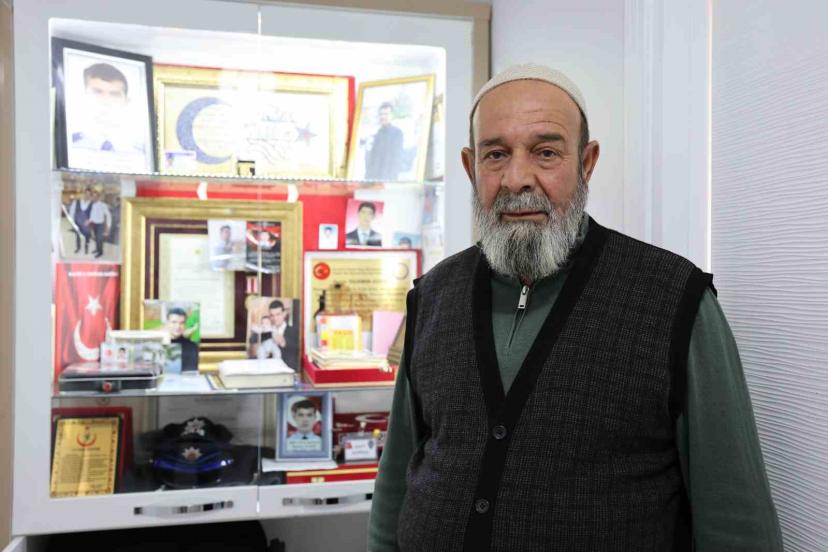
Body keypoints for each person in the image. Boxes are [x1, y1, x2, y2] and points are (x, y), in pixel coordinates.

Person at [368, 64, 782, 551]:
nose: (517, 179)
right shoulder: (433, 296)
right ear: (469, 166)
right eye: (496, 155)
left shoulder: (674, 300)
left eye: (545, 152)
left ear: (587, 162)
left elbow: (735, 521)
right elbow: (396, 484)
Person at [71, 63, 145, 155]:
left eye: (114, 94)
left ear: (127, 102)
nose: (106, 101)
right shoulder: (70, 144)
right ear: (83, 97)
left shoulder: (142, 151)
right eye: (97, 92)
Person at [365, 102, 404, 180]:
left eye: (386, 114)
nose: (383, 117)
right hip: (374, 178)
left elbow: (396, 159)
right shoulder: (378, 134)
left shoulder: (397, 133)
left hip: (387, 178)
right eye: (381, 114)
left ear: (392, 115)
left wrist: (389, 179)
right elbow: (373, 158)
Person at [268, 300, 299, 369]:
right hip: (270, 370)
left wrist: (284, 343)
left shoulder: (294, 330)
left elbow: (298, 351)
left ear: (284, 314)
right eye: (272, 315)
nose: (275, 318)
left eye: (278, 314)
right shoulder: (267, 332)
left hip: (288, 370)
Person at [166, 307, 198, 372]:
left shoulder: (192, 347)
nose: (178, 326)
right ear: (167, 323)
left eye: (182, 323)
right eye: (174, 322)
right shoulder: (157, 344)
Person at [67, 186, 94, 254]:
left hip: (86, 223)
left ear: (90, 195)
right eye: (86, 193)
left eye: (89, 194)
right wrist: (72, 222)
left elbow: (94, 213)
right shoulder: (76, 202)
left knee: (87, 236)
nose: (87, 196)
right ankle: (78, 248)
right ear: (84, 193)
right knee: (78, 235)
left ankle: (86, 248)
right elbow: (72, 211)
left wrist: (90, 220)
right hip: (77, 222)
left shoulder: (92, 203)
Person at [88, 190, 112, 258]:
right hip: (94, 224)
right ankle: (97, 249)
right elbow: (92, 215)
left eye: (95, 196)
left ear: (98, 197)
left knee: (99, 239)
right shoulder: (93, 205)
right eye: (93, 196)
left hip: (100, 225)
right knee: (95, 238)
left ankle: (100, 252)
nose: (94, 198)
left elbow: (108, 215)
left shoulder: (103, 205)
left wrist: (108, 226)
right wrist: (89, 221)